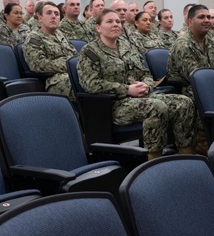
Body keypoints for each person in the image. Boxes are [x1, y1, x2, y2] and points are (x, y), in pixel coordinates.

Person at [77, 9, 196, 160]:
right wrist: (127, 90)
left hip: (142, 97)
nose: (115, 24)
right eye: (109, 21)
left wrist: (146, 85)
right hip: (113, 105)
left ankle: (187, 154)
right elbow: (91, 84)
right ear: (98, 27)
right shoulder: (90, 52)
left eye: (118, 22)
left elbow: (146, 73)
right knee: (157, 108)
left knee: (184, 102)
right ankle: (154, 159)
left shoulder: (128, 47)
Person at [167, 4, 214, 99]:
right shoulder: (183, 44)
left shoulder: (213, 42)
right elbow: (196, 76)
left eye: (208, 17)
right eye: (201, 17)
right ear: (190, 22)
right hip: (190, 90)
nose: (207, 20)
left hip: (212, 85)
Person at [23, 1, 76, 100]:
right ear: (40, 17)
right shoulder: (34, 38)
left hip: (71, 74)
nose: (53, 16)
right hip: (55, 81)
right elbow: (37, 64)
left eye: (56, 14)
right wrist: (67, 64)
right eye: (49, 13)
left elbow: (74, 56)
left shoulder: (60, 34)